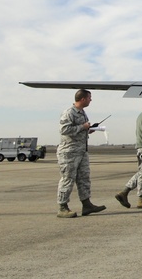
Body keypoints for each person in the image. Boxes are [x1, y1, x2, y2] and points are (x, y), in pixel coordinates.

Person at [56, 89, 106, 218]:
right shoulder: (69, 113)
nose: (91, 100)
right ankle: (62, 207)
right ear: (83, 99)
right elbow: (64, 130)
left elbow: (79, 129)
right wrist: (82, 127)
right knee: (68, 179)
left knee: (84, 178)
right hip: (69, 152)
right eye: (89, 97)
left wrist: (88, 130)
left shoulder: (83, 113)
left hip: (82, 151)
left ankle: (87, 204)